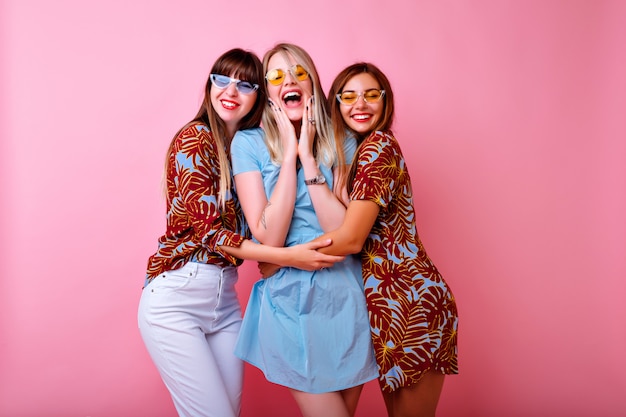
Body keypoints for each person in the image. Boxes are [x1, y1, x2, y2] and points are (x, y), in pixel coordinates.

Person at [137, 48, 344, 417]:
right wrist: (286, 259)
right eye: (222, 79)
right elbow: (211, 234)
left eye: (245, 85)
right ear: (209, 86)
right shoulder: (195, 138)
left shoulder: (246, 149)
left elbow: (265, 228)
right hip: (177, 297)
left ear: (259, 97)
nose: (230, 91)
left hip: (225, 303)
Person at [230, 43, 378, 417]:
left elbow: (344, 231)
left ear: (313, 83)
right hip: (286, 302)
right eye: (278, 75)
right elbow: (270, 236)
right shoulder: (247, 144)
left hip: (347, 297)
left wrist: (310, 156)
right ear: (267, 89)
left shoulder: (343, 140)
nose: (290, 81)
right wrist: (289, 155)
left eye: (299, 73)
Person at [312, 62, 459, 417]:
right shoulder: (358, 153)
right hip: (387, 306)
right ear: (336, 104)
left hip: (410, 302)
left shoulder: (378, 147)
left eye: (371, 95)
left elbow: (351, 239)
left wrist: (280, 256)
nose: (360, 104)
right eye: (348, 96)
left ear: (385, 101)